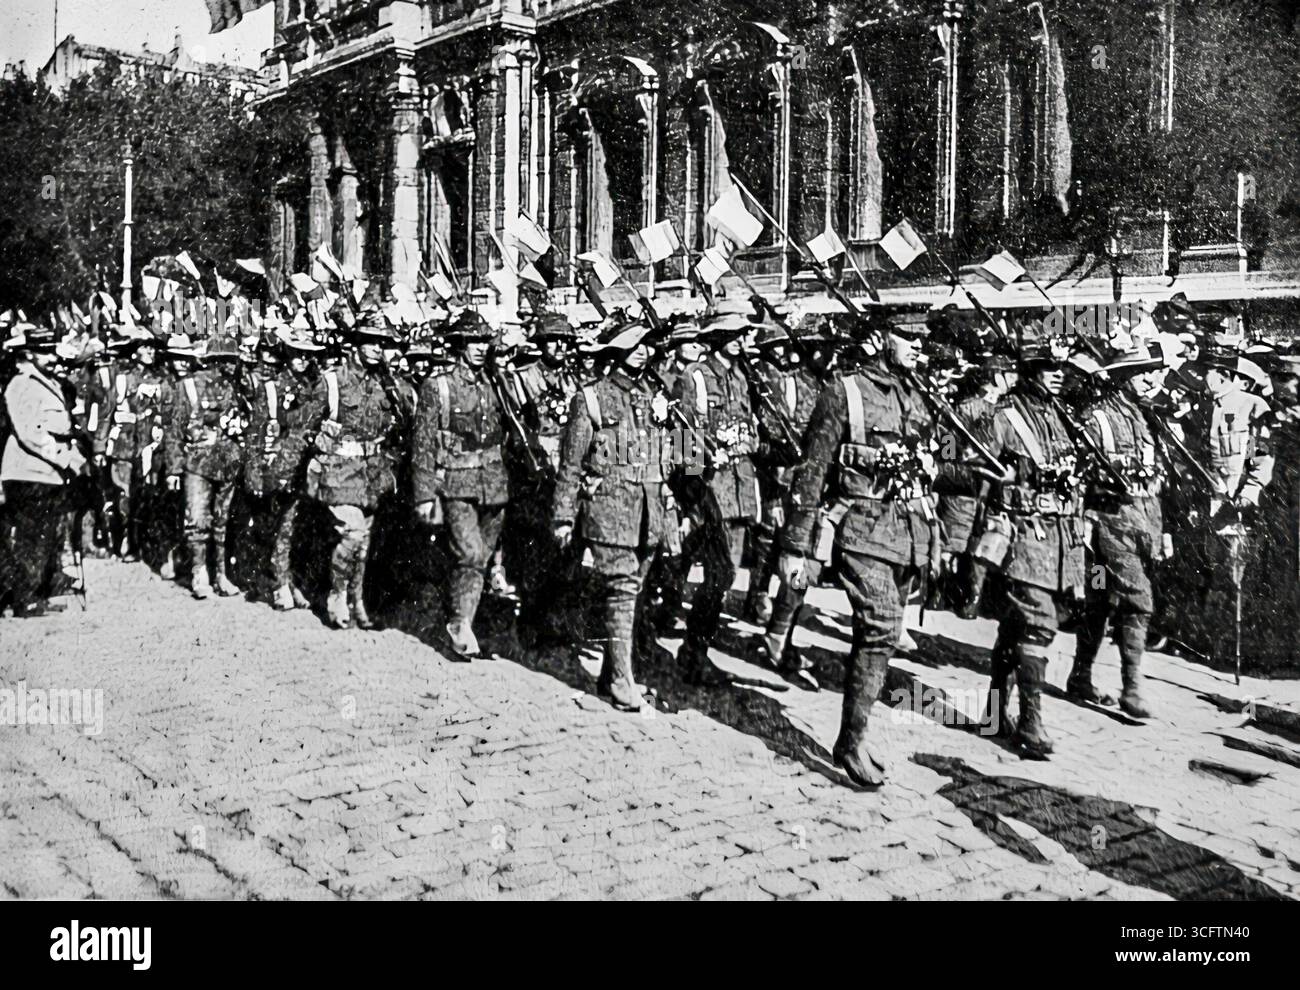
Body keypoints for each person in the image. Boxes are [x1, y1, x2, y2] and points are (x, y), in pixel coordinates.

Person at [777, 308, 945, 787]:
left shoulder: (919, 394)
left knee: (878, 634)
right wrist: (796, 544)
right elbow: (812, 470)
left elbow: (937, 460)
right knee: (882, 623)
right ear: (879, 337)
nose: (917, 345)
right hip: (859, 528)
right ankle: (852, 741)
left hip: (907, 530)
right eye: (907, 336)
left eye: (921, 337)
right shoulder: (843, 392)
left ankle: (852, 734)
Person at [552, 320, 683, 710]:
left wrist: (687, 480)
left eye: (647, 344)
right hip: (609, 509)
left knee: (634, 591)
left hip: (651, 510)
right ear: (615, 351)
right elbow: (571, 463)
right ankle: (623, 681)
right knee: (622, 592)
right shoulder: (590, 399)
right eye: (634, 344)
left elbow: (683, 450)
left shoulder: (657, 394)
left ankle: (612, 674)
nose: (643, 350)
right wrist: (563, 514)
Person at [976, 325, 1089, 758]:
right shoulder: (1004, 417)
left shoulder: (1064, 416)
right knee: (1039, 623)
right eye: (1046, 367)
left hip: (1063, 539)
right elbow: (962, 466)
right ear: (1027, 370)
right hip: (1023, 535)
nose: (1057, 375)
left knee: (1022, 624)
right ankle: (1031, 723)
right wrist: (998, 475)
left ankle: (992, 710)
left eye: (1060, 367)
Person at [1066, 342, 1170, 718]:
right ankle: (1132, 688)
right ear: (1125, 379)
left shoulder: (1147, 419)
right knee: (1139, 600)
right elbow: (1075, 476)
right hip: (1106, 529)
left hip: (1142, 525)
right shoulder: (1095, 419)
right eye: (1144, 373)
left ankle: (1080, 676)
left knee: (1100, 603)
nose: (1153, 379)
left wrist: (1161, 531)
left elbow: (1159, 481)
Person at [411, 309, 510, 658]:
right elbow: (422, 444)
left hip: (494, 484)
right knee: (469, 553)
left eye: (485, 341)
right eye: (472, 341)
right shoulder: (438, 386)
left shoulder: (498, 384)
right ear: (458, 345)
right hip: (455, 482)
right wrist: (424, 493)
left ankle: (463, 615)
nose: (481, 348)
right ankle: (460, 624)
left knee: (479, 556)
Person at [674, 313, 761, 686]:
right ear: (720, 336)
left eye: (745, 333)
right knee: (700, 571)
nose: (744, 339)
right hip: (708, 491)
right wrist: (692, 492)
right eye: (737, 334)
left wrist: (748, 442)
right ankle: (688, 649)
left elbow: (752, 430)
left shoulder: (742, 376)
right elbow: (682, 435)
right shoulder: (695, 376)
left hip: (738, 490)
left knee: (722, 577)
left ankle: (695, 651)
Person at [309, 312, 402, 629]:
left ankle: (356, 601)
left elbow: (395, 423)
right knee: (352, 535)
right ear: (356, 344)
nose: (378, 348)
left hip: (370, 473)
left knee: (362, 546)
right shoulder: (332, 381)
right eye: (371, 341)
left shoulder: (381, 384)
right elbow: (306, 425)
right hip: (338, 470)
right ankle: (336, 595)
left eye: (382, 343)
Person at [1, 325, 86, 617]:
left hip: (47, 473)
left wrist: (73, 456)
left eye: (51, 351)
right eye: (43, 352)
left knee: (46, 538)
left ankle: (39, 592)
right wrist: (65, 458)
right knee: (30, 538)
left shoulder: (45, 381)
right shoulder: (22, 384)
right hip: (28, 471)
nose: (50, 357)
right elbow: (30, 433)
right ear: (28, 354)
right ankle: (25, 599)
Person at [245, 326, 327, 610]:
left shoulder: (316, 389)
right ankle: (276, 581)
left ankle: (288, 579)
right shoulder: (272, 387)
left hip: (305, 463)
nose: (303, 359)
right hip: (276, 463)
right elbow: (257, 432)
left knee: (297, 526)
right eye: (297, 353)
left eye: (307, 354)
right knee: (275, 524)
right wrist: (254, 471)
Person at [164, 334, 249, 600]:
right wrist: (173, 469)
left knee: (223, 521)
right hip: (197, 463)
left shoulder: (237, 387)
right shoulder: (188, 386)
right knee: (198, 520)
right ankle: (199, 574)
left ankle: (222, 574)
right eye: (223, 360)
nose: (229, 366)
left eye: (232, 361)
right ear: (211, 360)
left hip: (227, 463)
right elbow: (174, 429)